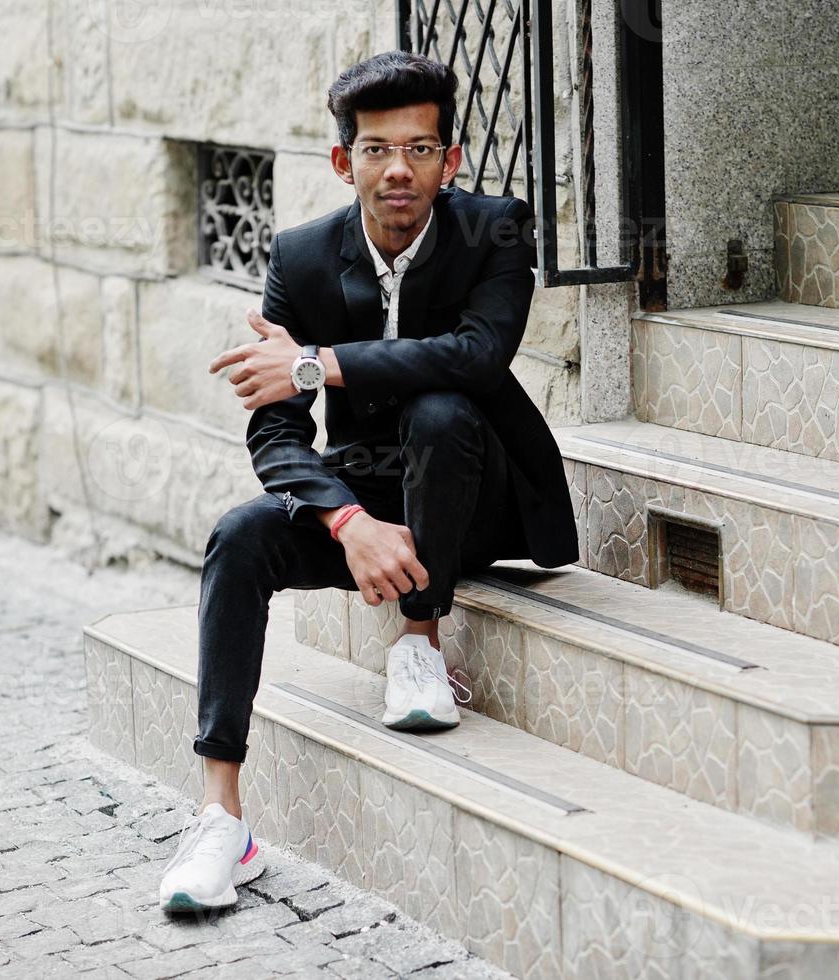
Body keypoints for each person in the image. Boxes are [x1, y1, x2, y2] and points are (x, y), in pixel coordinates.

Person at [158, 50, 578, 913]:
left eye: (421, 149)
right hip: (371, 501)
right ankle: (220, 818)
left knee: (439, 406)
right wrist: (348, 522)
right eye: (378, 149)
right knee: (239, 538)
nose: (400, 170)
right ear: (344, 161)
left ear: (449, 161)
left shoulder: (498, 228)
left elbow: (475, 355)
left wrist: (313, 364)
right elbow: (273, 432)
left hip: (480, 493)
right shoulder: (302, 257)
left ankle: (419, 643)